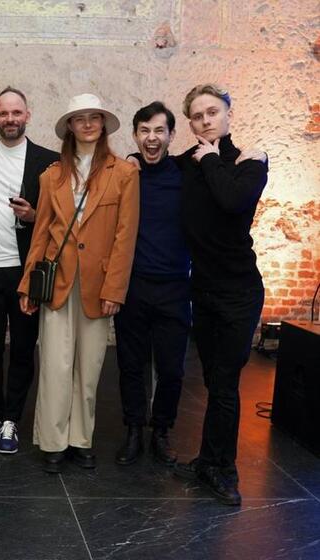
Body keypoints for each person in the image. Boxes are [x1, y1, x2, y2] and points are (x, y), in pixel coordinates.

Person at [18, 93, 139, 474]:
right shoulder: (51, 176)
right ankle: (53, 441)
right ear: (69, 126)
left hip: (98, 285)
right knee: (55, 366)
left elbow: (125, 237)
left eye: (94, 117)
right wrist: (28, 283)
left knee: (89, 369)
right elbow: (40, 233)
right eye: (80, 118)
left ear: (102, 124)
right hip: (57, 281)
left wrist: (115, 289)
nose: (87, 124)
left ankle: (81, 439)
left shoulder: (124, 173)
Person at [173, 84, 268, 506]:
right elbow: (157, 169)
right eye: (197, 116)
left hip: (239, 293)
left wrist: (211, 158)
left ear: (229, 113)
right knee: (213, 380)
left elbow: (231, 201)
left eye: (212, 112)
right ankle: (207, 461)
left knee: (226, 383)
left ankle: (224, 471)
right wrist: (136, 162)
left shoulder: (249, 162)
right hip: (204, 290)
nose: (206, 120)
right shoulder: (187, 164)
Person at [0, 87, 59, 454]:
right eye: (3, 113)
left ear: (27, 115)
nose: (10, 119)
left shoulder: (48, 161)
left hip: (26, 269)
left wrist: (34, 216)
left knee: (22, 347)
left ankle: (11, 419)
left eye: (16, 112)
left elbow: (62, 215)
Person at [114, 102, 191, 467]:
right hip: (134, 285)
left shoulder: (186, 174)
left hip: (175, 287)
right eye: (144, 131)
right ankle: (133, 429)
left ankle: (161, 431)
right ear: (135, 136)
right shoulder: (127, 174)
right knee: (131, 365)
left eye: (159, 130)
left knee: (172, 368)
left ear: (171, 135)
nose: (152, 138)